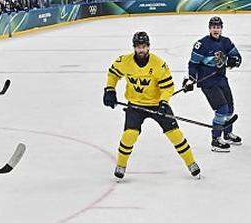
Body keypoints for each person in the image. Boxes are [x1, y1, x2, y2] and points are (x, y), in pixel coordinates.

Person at [103, 31, 200, 180]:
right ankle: (121, 166)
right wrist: (110, 90)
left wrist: (164, 102)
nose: (141, 49)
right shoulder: (124, 61)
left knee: (175, 134)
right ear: (134, 47)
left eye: (144, 46)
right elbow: (113, 73)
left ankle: (191, 163)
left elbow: (168, 87)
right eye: (138, 47)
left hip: (157, 104)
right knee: (129, 135)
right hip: (135, 105)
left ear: (148, 47)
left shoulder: (158, 64)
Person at [183, 16, 242, 152]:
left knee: (230, 109)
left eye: (218, 27)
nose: (216, 29)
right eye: (213, 27)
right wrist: (191, 79)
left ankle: (227, 134)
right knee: (222, 110)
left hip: (221, 79)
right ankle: (215, 140)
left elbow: (237, 56)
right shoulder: (201, 44)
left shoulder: (226, 42)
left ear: (221, 28)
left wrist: (234, 61)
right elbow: (193, 64)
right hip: (207, 82)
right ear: (209, 28)